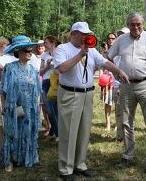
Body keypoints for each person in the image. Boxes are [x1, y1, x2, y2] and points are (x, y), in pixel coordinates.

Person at [54, 21, 128, 180]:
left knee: (84, 131)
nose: (86, 37)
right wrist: (80, 54)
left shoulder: (92, 50)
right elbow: (62, 68)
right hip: (70, 94)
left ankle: (80, 164)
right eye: (83, 34)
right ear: (73, 33)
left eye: (88, 34)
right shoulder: (62, 49)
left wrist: (119, 71)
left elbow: (105, 62)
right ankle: (66, 169)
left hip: (87, 94)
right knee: (68, 132)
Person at [108, 12, 146, 173]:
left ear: (143, 24)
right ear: (127, 25)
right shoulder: (121, 40)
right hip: (126, 86)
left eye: (138, 24)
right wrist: (117, 72)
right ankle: (128, 155)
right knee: (126, 122)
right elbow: (109, 57)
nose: (136, 27)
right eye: (132, 24)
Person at [1, 35, 42, 172]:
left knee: (28, 132)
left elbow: (37, 92)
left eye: (31, 49)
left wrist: (37, 107)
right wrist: (4, 107)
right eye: (26, 50)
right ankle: (10, 160)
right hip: (14, 108)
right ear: (18, 52)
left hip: (30, 108)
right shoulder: (10, 68)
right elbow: (4, 90)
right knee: (13, 133)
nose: (30, 52)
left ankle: (28, 157)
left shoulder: (33, 70)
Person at [40, 36, 60, 142]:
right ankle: (58, 134)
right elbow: (41, 72)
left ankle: (54, 133)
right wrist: (47, 66)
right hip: (46, 83)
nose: (44, 45)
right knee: (48, 108)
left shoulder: (59, 53)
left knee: (56, 109)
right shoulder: (44, 55)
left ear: (53, 43)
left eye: (46, 43)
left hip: (56, 83)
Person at [114, 27, 130, 142]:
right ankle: (120, 136)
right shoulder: (115, 52)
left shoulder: (129, 51)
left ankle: (127, 136)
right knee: (119, 111)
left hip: (128, 85)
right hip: (117, 85)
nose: (120, 36)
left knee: (128, 112)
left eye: (122, 34)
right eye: (119, 34)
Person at [101, 32, 117, 131]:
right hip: (107, 79)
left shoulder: (119, 50)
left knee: (118, 104)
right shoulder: (104, 53)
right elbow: (101, 65)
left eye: (113, 38)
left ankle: (117, 124)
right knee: (107, 103)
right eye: (109, 38)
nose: (111, 40)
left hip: (117, 80)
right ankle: (108, 124)